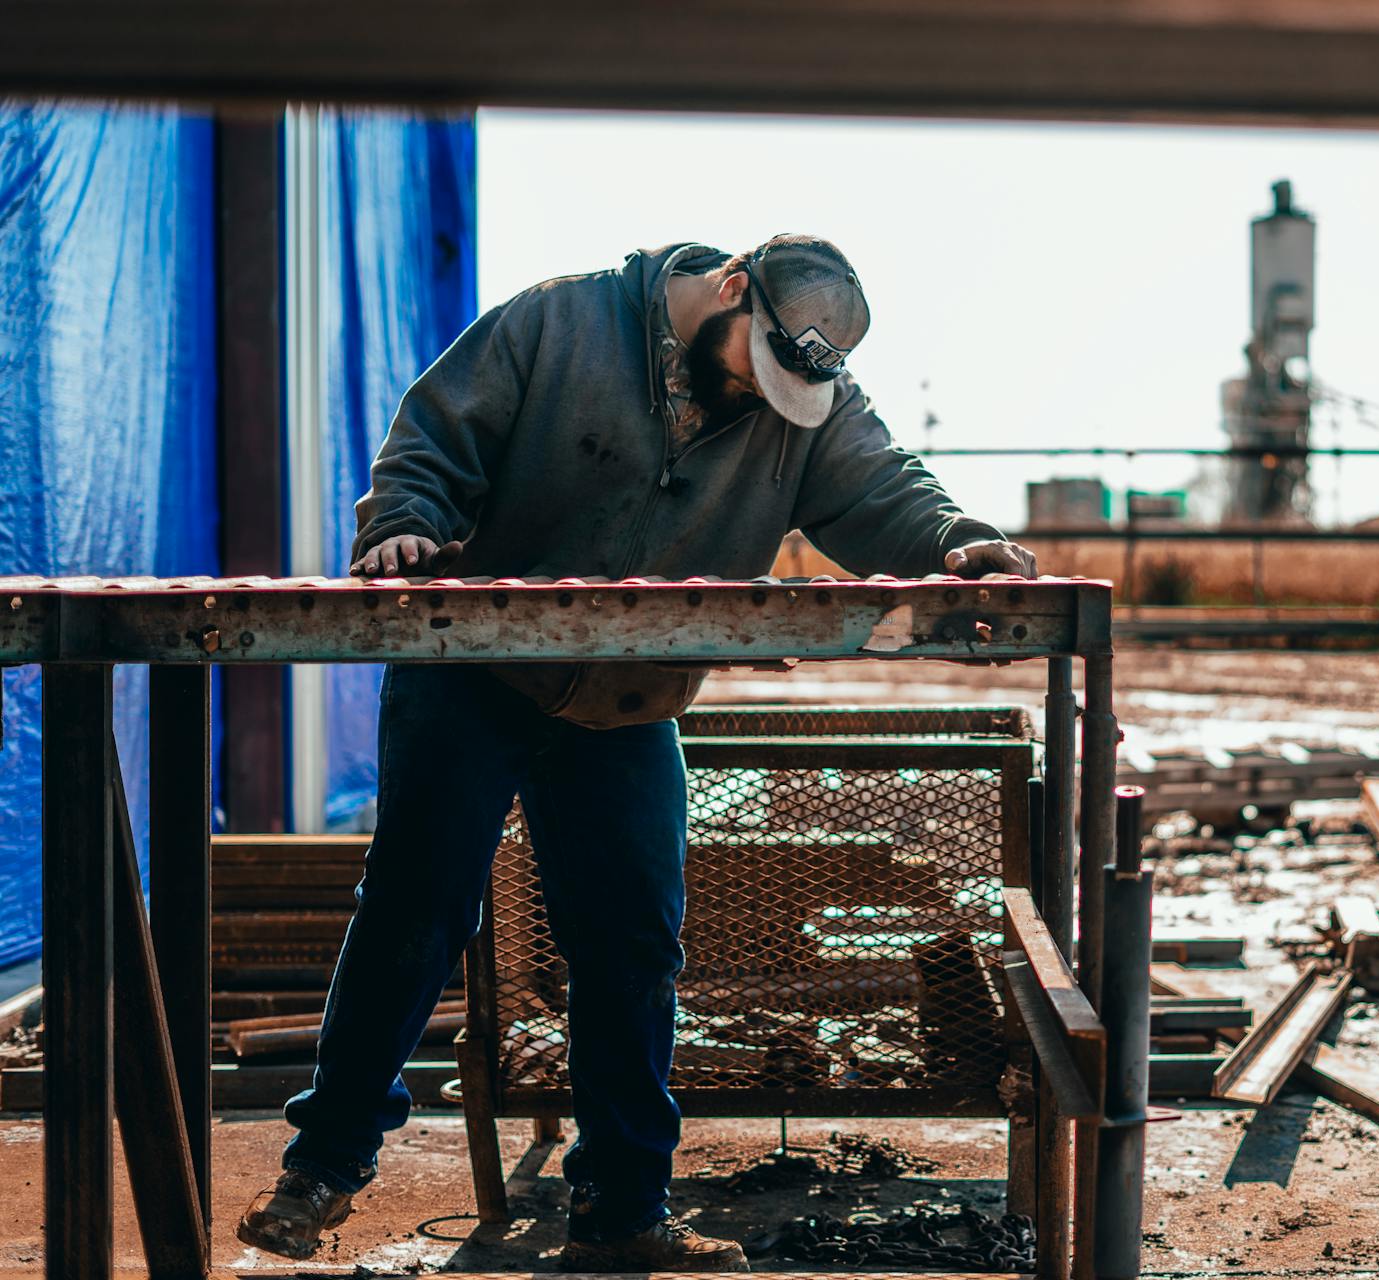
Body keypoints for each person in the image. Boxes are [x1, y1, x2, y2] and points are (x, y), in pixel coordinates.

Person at [236, 235, 1036, 1271]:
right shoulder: (560, 321)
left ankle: (622, 1209)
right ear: (733, 290)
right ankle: (323, 1168)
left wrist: (955, 542)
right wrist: (406, 525)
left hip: (624, 695)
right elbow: (436, 434)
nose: (770, 397)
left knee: (632, 944)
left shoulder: (804, 399)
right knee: (416, 904)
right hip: (471, 667)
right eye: (763, 366)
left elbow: (885, 488)